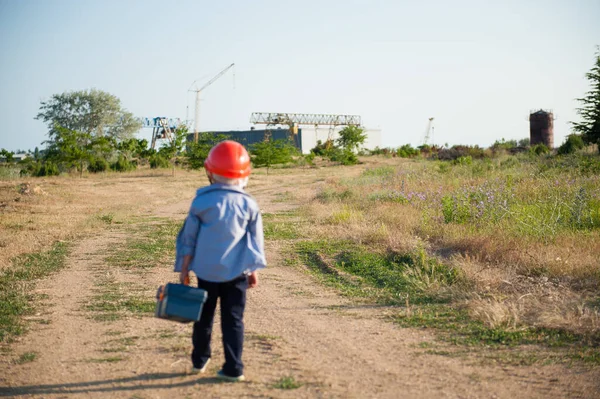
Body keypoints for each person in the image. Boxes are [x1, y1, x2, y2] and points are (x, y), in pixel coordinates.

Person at [177, 140, 266, 382]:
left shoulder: (201, 202)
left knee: (203, 318)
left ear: (210, 171)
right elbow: (254, 242)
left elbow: (189, 239)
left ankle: (199, 361)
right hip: (236, 273)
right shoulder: (249, 204)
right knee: (233, 320)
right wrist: (253, 270)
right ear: (245, 173)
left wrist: (184, 268)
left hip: (206, 272)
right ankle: (234, 368)